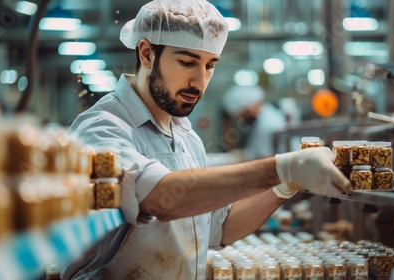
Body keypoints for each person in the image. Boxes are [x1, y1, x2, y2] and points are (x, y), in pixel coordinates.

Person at [62, 0, 351, 279]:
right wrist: (280, 168)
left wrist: (285, 186)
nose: (200, 82)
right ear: (147, 54)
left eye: (210, 65)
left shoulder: (187, 137)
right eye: (188, 62)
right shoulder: (101, 128)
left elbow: (220, 227)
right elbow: (160, 199)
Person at [222, 85, 288, 160]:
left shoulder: (267, 124)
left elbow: (262, 157)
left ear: (249, 106)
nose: (241, 120)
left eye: (241, 115)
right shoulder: (265, 117)